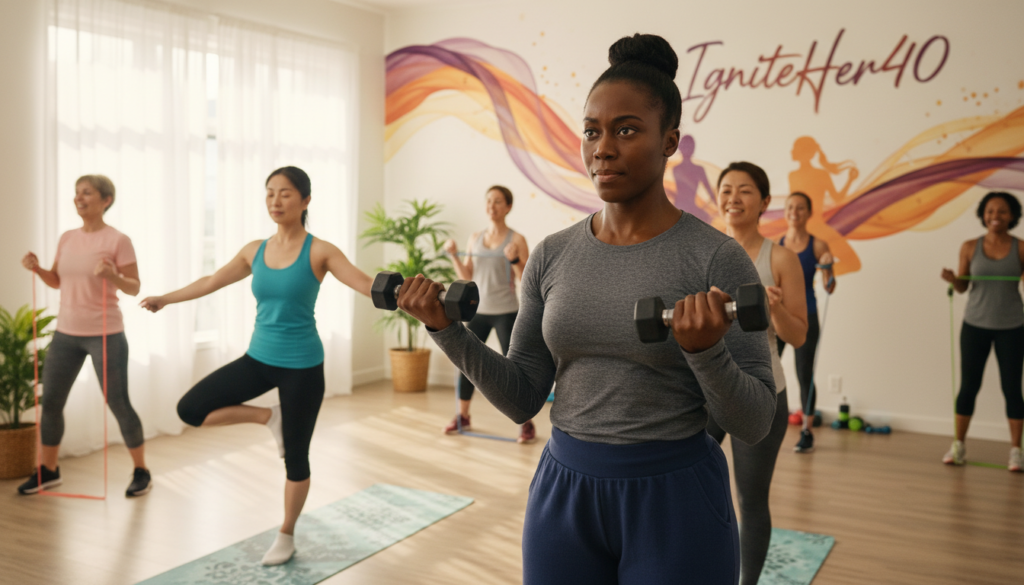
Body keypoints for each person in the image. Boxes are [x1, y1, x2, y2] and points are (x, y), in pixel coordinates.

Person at [396, 34, 777, 584]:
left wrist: (707, 351)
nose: (603, 148)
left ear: (670, 140)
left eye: (627, 130)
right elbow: (524, 396)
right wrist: (446, 330)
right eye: (592, 131)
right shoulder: (552, 254)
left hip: (675, 494)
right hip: (565, 489)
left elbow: (757, 420)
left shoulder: (716, 258)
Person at [140, 166, 373, 564]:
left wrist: (409, 294)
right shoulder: (255, 250)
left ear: (305, 201)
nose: (275, 201)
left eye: (285, 194)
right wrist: (166, 298)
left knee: (296, 458)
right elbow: (212, 280)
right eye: (269, 194)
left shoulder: (321, 251)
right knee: (191, 410)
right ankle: (269, 416)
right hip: (259, 358)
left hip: (302, 367)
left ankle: (286, 533)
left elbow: (367, 285)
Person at [18, 175, 150, 497]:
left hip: (105, 333)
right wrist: (37, 269)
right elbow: (58, 280)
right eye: (77, 193)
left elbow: (134, 287)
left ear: (105, 200)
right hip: (66, 334)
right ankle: (48, 470)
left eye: (86, 193)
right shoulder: (67, 238)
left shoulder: (118, 240)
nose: (79, 198)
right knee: (51, 403)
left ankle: (141, 470)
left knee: (118, 403)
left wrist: (112, 275)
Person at [708, 162, 807, 585]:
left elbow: (798, 335)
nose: (734, 197)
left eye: (745, 190)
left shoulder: (781, 257)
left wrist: (773, 308)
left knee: (751, 500)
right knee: (688, 486)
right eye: (726, 189)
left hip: (761, 393)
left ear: (765, 202)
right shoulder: (703, 252)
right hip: (706, 391)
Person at [442, 185, 534, 443]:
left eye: (497, 202)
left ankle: (526, 423)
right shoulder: (475, 237)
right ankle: (463, 416)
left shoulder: (517, 240)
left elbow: (525, 279)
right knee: (466, 363)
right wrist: (453, 256)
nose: (492, 206)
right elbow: (467, 276)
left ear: (508, 207)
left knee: (516, 369)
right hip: (478, 310)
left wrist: (515, 260)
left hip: (506, 311)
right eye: (489, 201)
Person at [941, 191, 1024, 472]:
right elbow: (964, 286)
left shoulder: (1021, 248)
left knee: (1012, 389)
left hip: (1012, 327)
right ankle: (958, 446)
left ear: (1012, 215)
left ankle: (1016, 451)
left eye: (1002, 211)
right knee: (969, 387)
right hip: (975, 325)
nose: (995, 217)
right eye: (990, 211)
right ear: (983, 215)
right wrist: (954, 280)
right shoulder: (969, 247)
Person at [778, 192, 836, 453]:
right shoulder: (777, 245)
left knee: (804, 374)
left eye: (800, 208)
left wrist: (827, 268)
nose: (794, 212)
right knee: (768, 369)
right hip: (778, 316)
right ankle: (767, 424)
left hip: (807, 317)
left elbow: (830, 287)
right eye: (790, 207)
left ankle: (807, 431)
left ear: (808, 213)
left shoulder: (819, 246)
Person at [788, 136, 861, 275]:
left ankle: (814, 276)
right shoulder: (799, 175)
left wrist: (850, 180)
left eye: (795, 148)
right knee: (853, 262)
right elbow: (838, 198)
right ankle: (814, 275)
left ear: (805, 153)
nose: (792, 151)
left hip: (810, 229)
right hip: (810, 228)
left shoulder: (813, 175)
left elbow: (837, 199)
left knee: (853, 263)